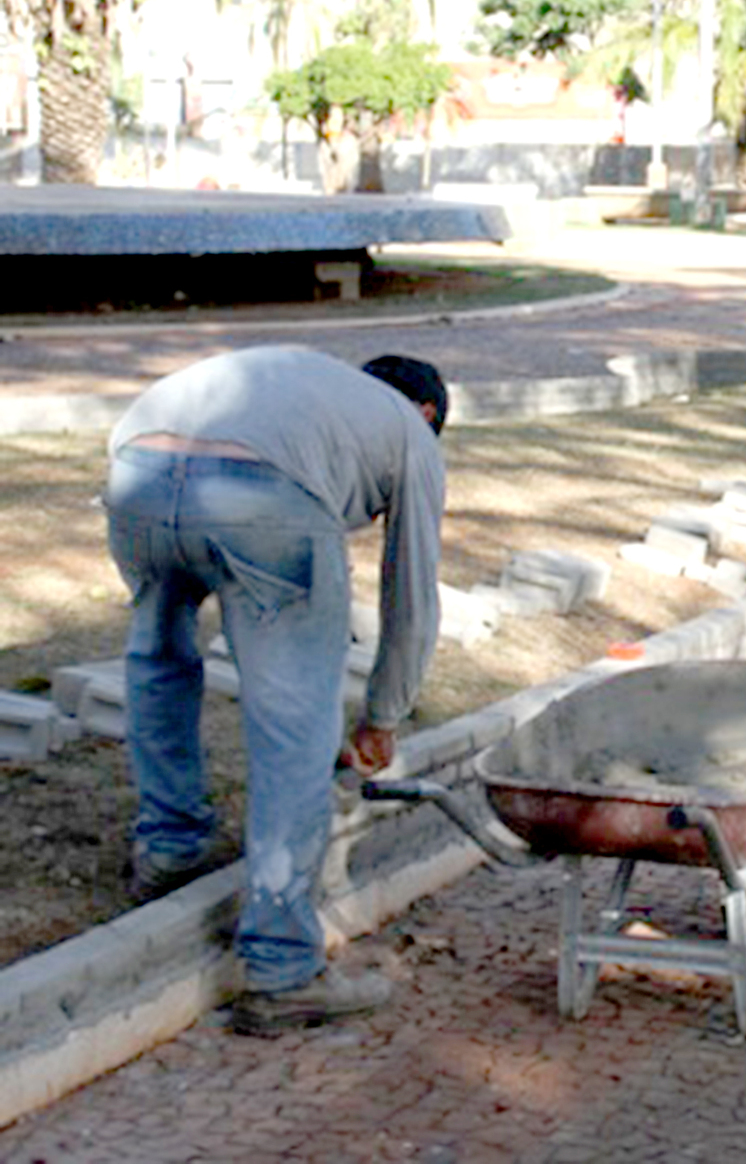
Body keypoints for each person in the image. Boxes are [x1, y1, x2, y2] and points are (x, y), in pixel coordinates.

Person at [104, 346, 448, 1037]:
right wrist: (383, 716)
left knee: (158, 662)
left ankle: (169, 851)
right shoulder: (410, 431)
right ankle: (283, 968)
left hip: (136, 463)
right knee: (294, 723)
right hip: (261, 494)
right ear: (430, 413)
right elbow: (410, 592)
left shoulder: (313, 387)